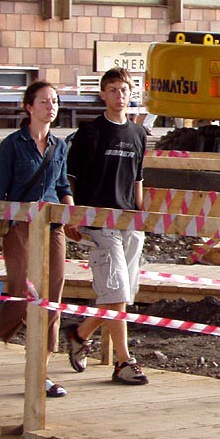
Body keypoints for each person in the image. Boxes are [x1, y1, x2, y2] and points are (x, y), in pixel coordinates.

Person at [0, 81, 73, 399]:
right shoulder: (12, 144)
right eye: (44, 101)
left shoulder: (59, 146)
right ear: (29, 107)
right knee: (22, 291)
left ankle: (40, 372)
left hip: (53, 226)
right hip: (19, 225)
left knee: (52, 297)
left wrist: (72, 212)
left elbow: (62, 185)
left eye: (55, 101)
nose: (51, 106)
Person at [64, 68, 150, 386]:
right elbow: (70, 178)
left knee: (121, 294)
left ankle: (80, 332)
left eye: (124, 89)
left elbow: (138, 179)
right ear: (103, 94)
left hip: (129, 223)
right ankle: (123, 361)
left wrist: (141, 217)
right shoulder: (90, 132)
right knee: (115, 291)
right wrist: (72, 215)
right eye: (113, 90)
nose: (119, 95)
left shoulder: (138, 134)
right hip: (100, 223)